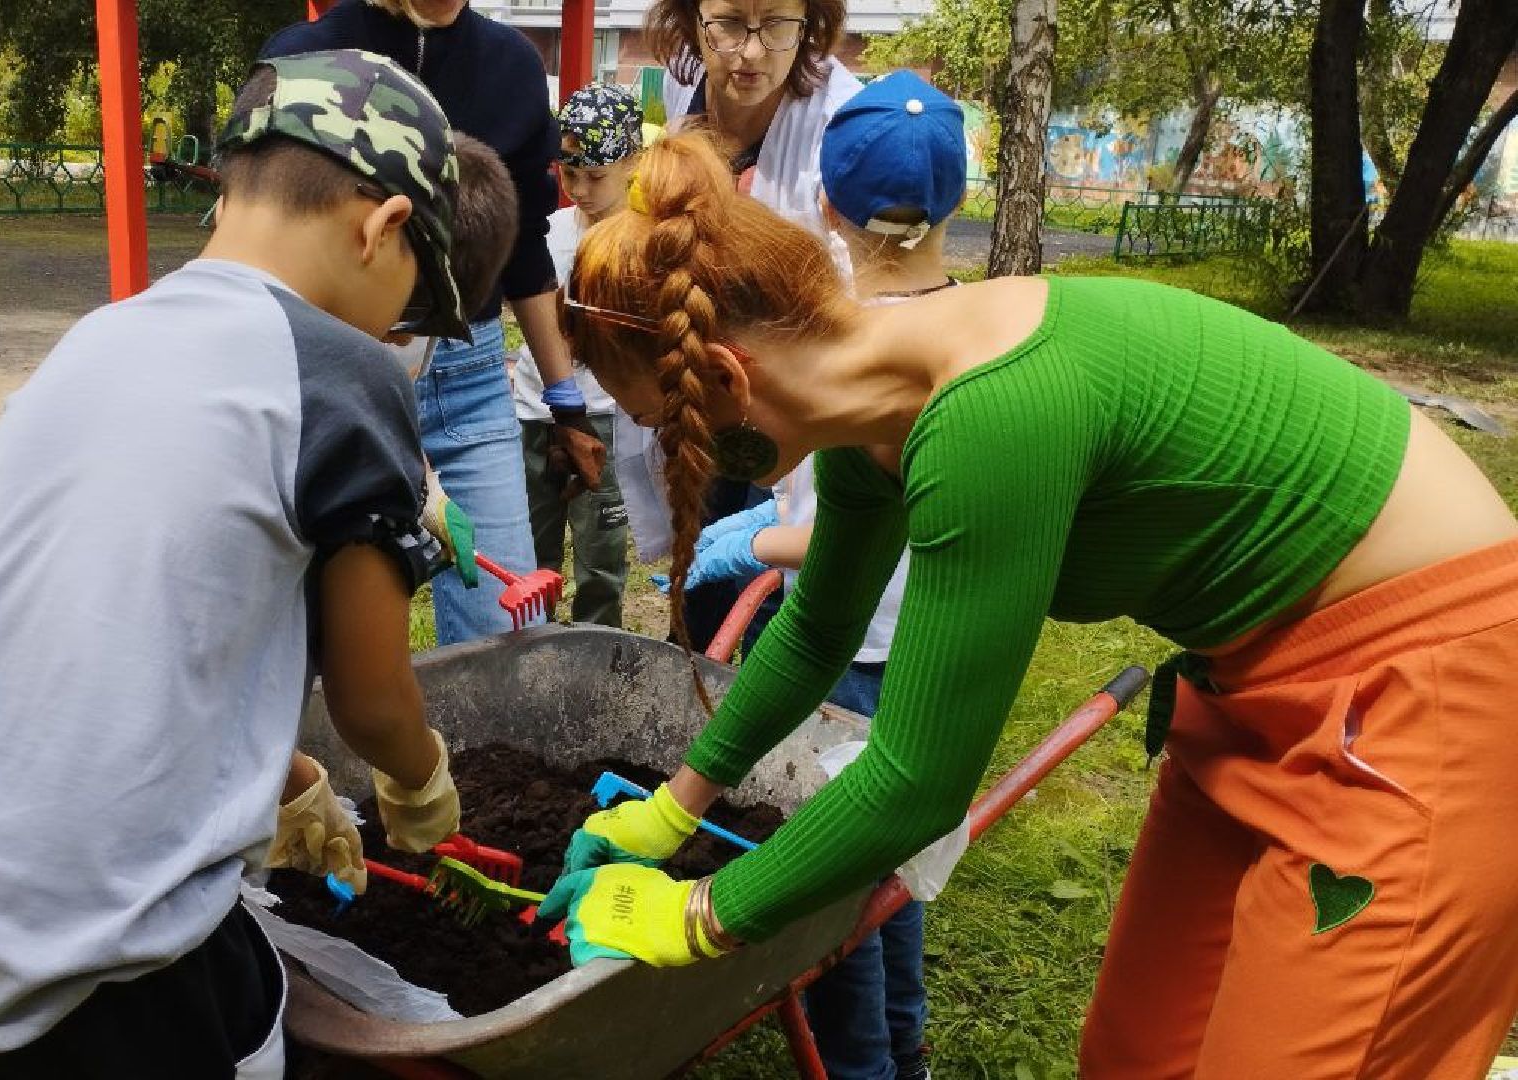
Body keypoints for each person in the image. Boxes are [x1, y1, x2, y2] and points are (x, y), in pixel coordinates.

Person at [541, 131, 1518, 1078]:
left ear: (723, 377)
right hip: (1256, 680)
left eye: (663, 425)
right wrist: (675, 809)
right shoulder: (873, 413)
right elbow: (818, 629)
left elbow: (918, 783)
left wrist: (694, 916)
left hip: (1429, 692)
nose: (677, 456)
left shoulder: (985, 415)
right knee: (1141, 1056)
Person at [0, 51, 484, 1078]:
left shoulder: (101, 339)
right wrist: (417, 785)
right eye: (409, 304)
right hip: (84, 981)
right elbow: (371, 699)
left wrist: (287, 779)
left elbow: (115, 643)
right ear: (381, 226)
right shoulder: (344, 373)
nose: (397, 333)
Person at [678, 70, 964, 1080]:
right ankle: (904, 1046)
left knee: (843, 874)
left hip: (859, 647)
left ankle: (865, 1063)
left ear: (829, 208)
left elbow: (876, 536)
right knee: (894, 879)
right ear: (955, 205)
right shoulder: (960, 329)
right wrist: (776, 511)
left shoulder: (862, 346)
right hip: (921, 651)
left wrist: (755, 542)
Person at [265, 0, 607, 646]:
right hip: (342, 378)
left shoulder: (512, 67)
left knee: (507, 627)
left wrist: (568, 406)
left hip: (470, 380)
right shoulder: (311, 58)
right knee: (331, 634)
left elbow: (526, 249)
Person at [618, 0, 861, 649]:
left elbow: (847, 288)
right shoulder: (677, 88)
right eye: (727, 22)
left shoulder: (841, 119)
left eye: (776, 24)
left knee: (764, 592)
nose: (749, 52)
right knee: (697, 579)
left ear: (809, 21)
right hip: (701, 375)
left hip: (788, 392)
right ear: (692, 17)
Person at [511, 82, 645, 629]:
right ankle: (531, 655)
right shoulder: (547, 232)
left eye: (596, 176)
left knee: (602, 559)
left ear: (633, 161)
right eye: (571, 175)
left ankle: (598, 656)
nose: (581, 189)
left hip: (606, 419)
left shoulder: (646, 240)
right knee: (529, 554)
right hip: (532, 412)